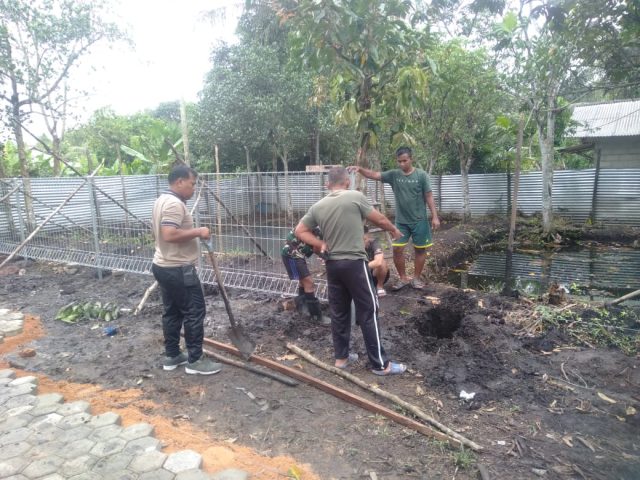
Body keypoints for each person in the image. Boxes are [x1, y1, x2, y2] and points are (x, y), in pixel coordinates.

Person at [295, 166, 407, 376]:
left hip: (333, 266)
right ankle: (380, 365)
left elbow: (299, 231)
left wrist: (319, 244)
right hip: (355, 263)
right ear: (347, 182)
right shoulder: (355, 197)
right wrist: (393, 230)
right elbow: (379, 220)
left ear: (328, 185)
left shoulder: (318, 206)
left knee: (339, 312)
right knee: (369, 310)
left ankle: (341, 358)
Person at [151, 164, 222, 375]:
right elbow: (169, 234)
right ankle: (195, 361)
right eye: (191, 184)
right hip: (178, 268)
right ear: (179, 182)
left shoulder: (161, 200)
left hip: (162, 264)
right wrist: (199, 231)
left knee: (172, 311)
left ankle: (172, 355)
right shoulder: (174, 204)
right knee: (194, 311)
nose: (193, 189)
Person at [348, 146, 440, 290]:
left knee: (420, 250)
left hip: (420, 221)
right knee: (397, 250)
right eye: (399, 161)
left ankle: (416, 279)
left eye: (405, 161)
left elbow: (428, 195)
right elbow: (374, 175)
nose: (402, 164)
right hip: (401, 222)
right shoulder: (394, 175)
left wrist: (435, 216)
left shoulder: (421, 176)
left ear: (411, 159)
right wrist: (360, 169)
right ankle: (403, 278)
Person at [281, 226, 328, 324]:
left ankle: (302, 309)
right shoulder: (315, 226)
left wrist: (324, 256)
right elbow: (316, 246)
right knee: (309, 283)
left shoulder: (318, 227)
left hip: (293, 254)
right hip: (293, 255)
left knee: (303, 282)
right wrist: (326, 256)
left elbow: (315, 248)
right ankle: (315, 316)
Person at [364, 225, 390, 297]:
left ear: (368, 236)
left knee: (382, 263)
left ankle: (379, 286)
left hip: (374, 274)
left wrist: (362, 267)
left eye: (364, 239)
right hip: (359, 275)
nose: (362, 243)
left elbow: (378, 261)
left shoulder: (374, 242)